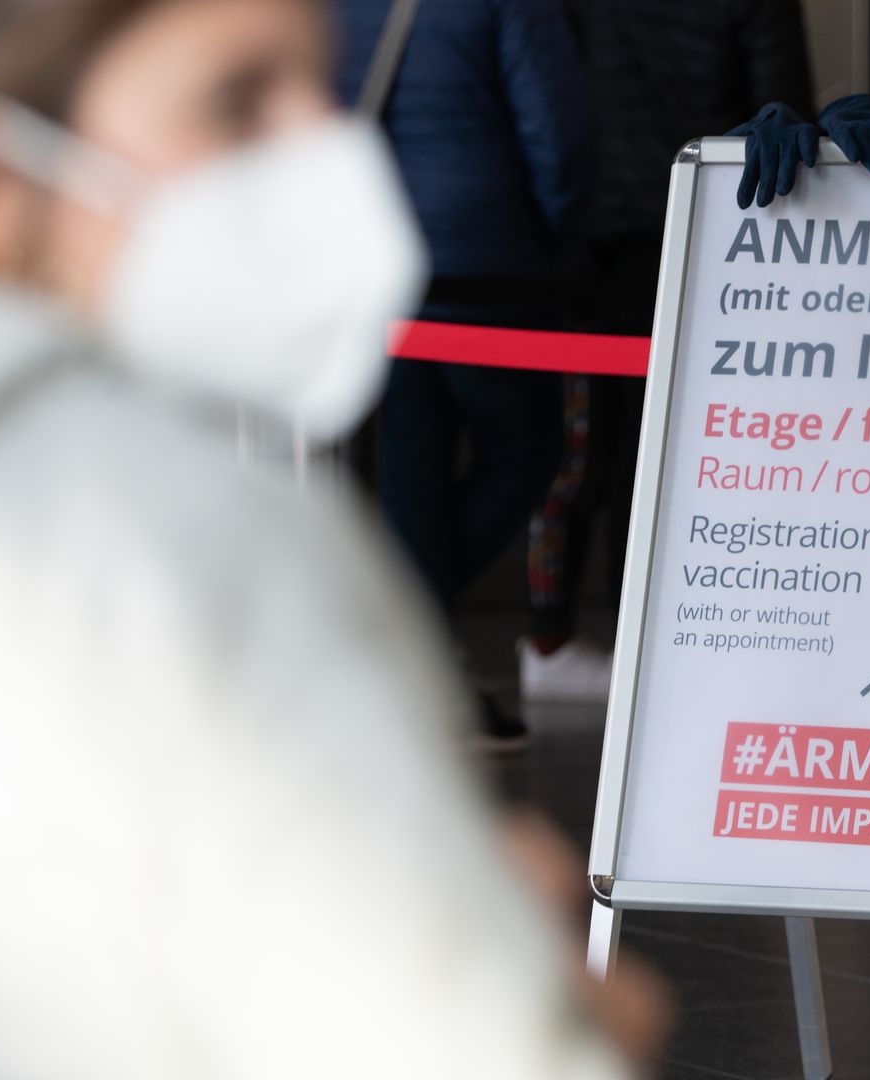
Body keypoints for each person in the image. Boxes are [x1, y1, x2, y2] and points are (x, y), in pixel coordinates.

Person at [0, 0, 662, 1074]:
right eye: (235, 104)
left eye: (317, 86)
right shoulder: (191, 533)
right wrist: (543, 989)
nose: (325, 151)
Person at [518, 0, 816, 703]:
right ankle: (654, 649)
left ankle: (552, 637)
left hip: (586, 246)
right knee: (682, 461)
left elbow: (544, 111)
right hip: (710, 243)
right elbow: (786, 122)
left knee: (583, 454)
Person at [335, 0, 588, 743]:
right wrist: (562, 236)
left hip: (381, 259)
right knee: (529, 450)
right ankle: (402, 628)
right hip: (491, 263)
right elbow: (559, 133)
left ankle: (423, 671)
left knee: (412, 468)